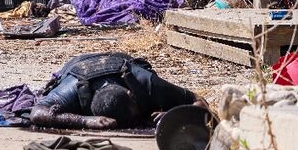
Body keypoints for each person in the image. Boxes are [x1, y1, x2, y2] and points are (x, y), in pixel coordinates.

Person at [30, 52, 200, 130]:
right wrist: (83, 121)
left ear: (131, 94)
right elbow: (37, 113)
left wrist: (176, 114)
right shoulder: (73, 89)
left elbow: (198, 100)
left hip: (119, 58)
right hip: (78, 65)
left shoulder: (144, 81)